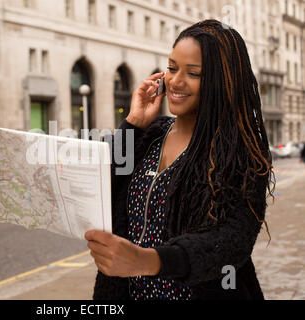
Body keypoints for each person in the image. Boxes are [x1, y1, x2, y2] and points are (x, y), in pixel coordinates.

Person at [85, 20, 275, 300]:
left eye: (193, 73)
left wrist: (148, 260)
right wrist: (133, 123)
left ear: (221, 81)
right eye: (172, 68)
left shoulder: (240, 149)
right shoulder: (150, 134)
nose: (175, 81)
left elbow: (232, 241)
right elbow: (101, 185)